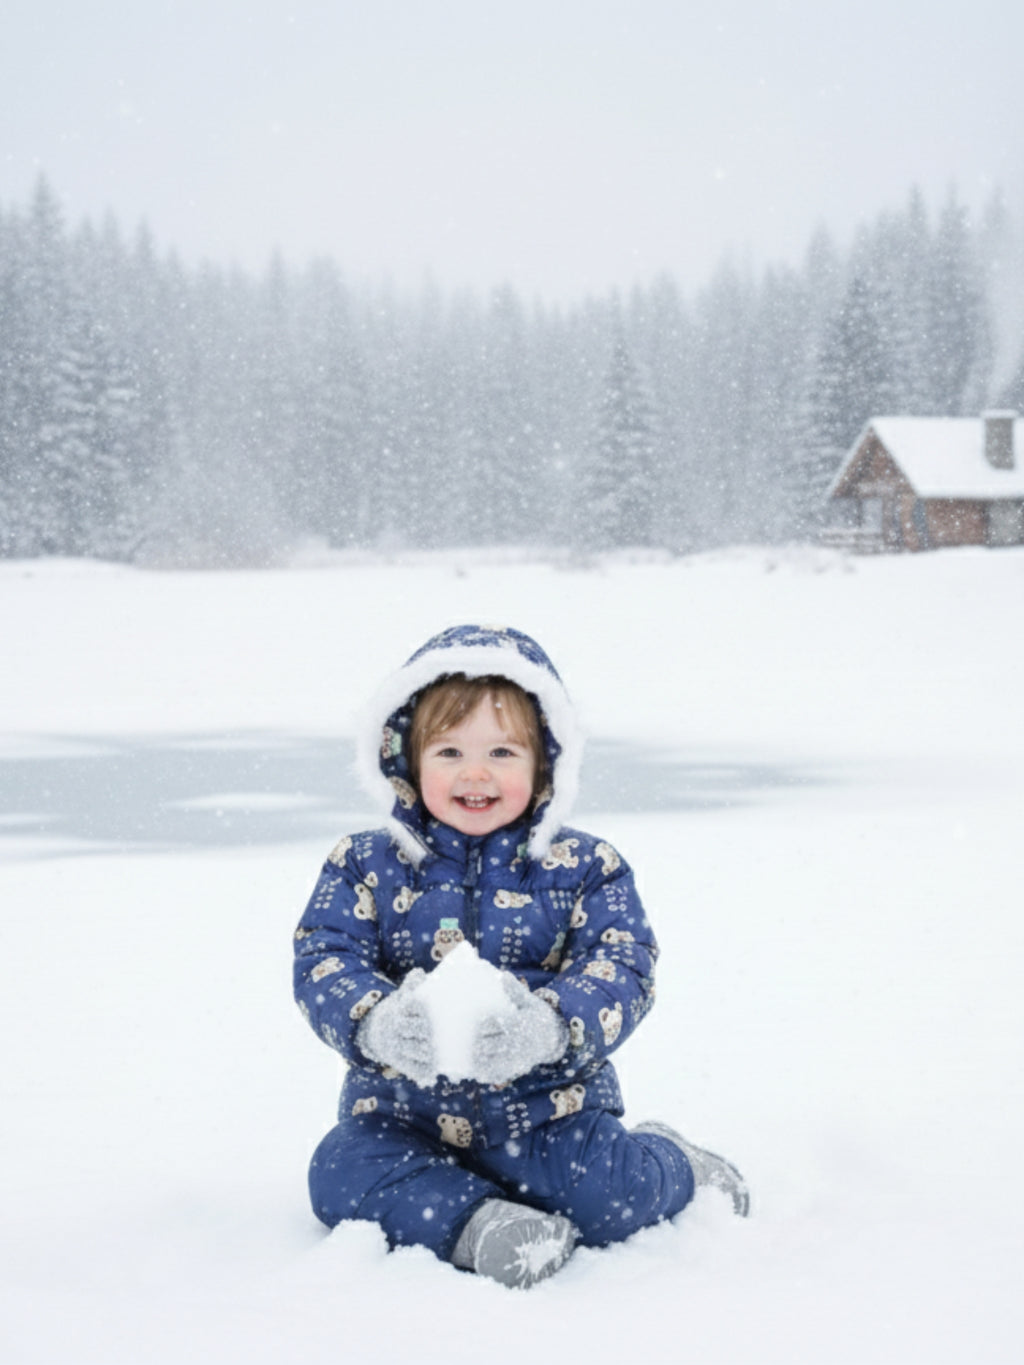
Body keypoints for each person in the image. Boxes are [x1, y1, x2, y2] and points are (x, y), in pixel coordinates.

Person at [293, 624, 748, 1290]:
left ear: (545, 763)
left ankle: (674, 1163)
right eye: (449, 750)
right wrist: (376, 1020)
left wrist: (552, 1025)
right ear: (406, 759)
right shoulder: (365, 864)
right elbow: (323, 956)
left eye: (502, 750)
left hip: (546, 1114)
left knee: (605, 1194)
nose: (475, 773)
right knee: (337, 1170)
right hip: (402, 1117)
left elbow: (623, 964)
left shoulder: (586, 866)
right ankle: (479, 1223)